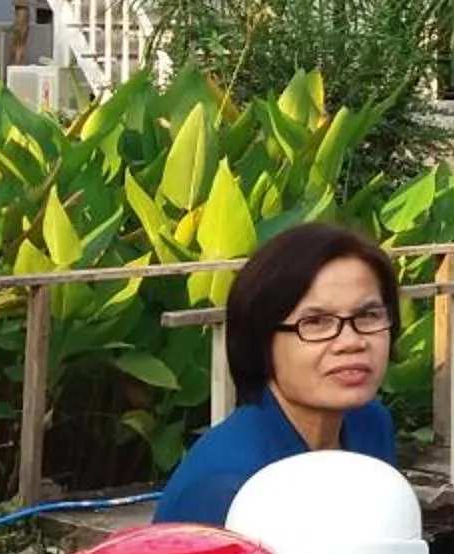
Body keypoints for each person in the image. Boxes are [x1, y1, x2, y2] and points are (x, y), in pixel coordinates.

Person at [153, 221, 401, 526]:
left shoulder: (369, 425)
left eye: (368, 315)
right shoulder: (226, 486)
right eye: (316, 322)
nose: (351, 342)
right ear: (260, 338)